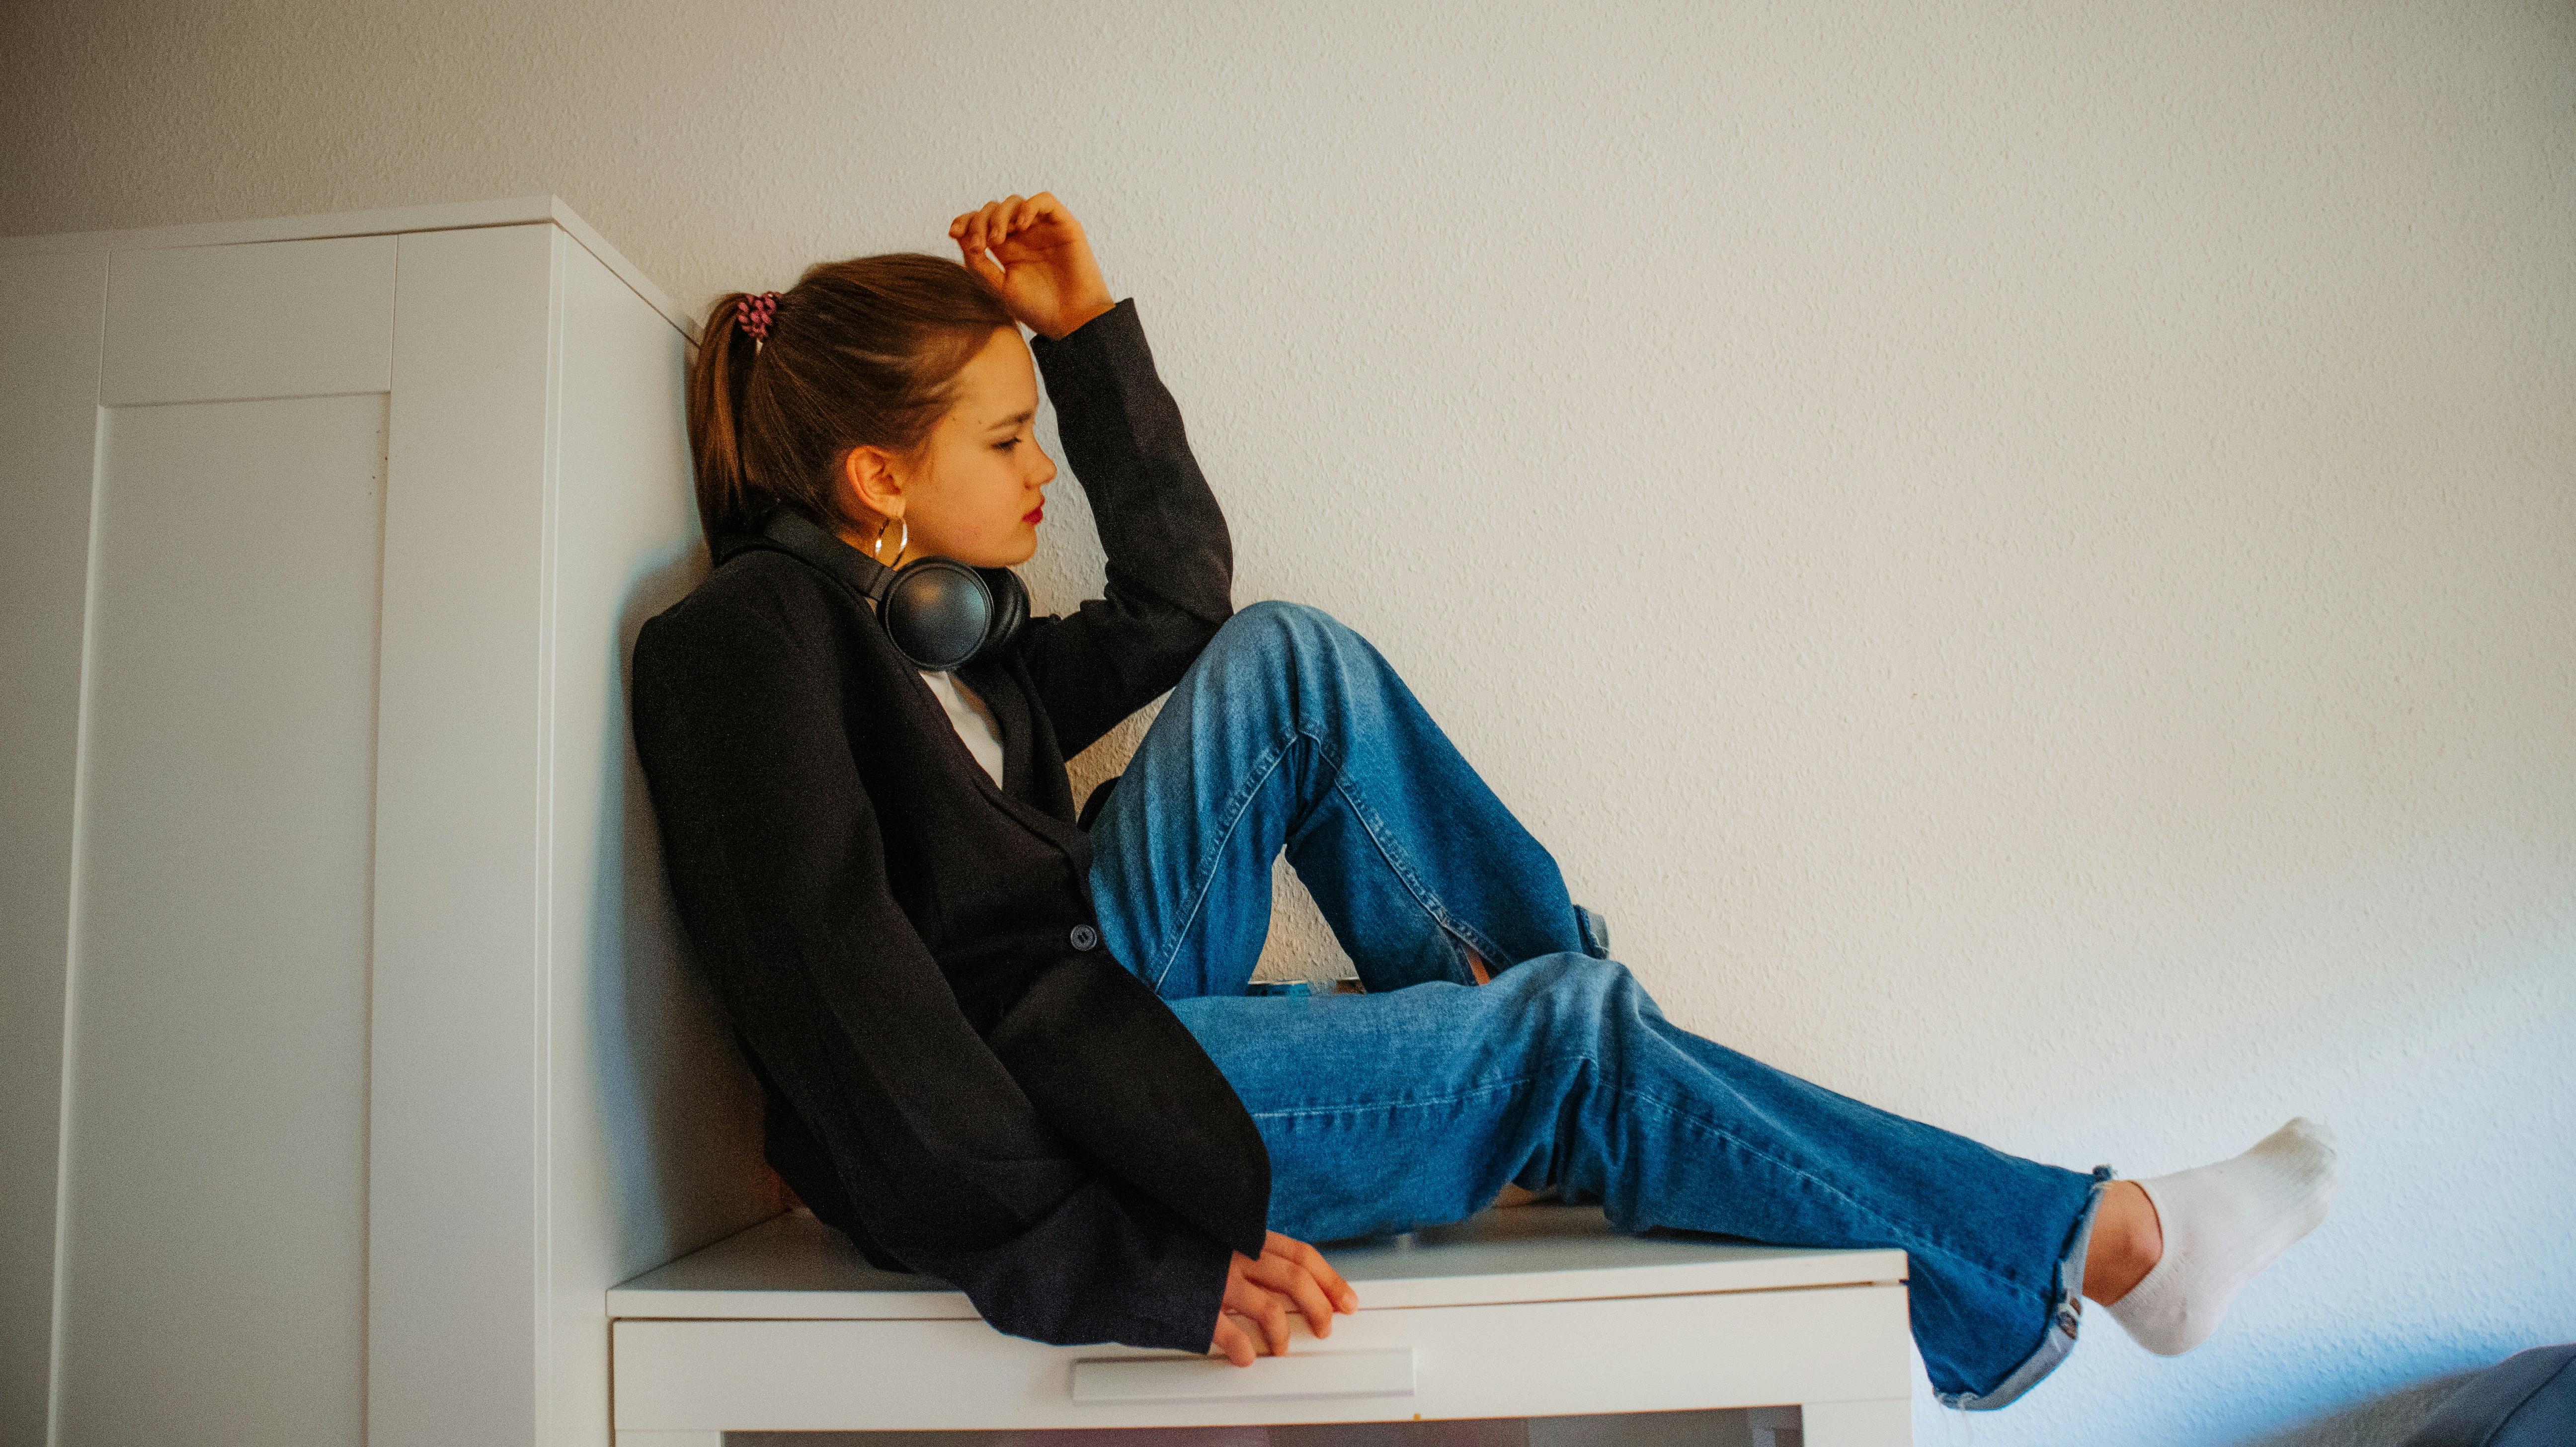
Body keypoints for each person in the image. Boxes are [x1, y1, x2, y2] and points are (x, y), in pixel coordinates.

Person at [627, 191, 2340, 1410]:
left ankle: (1589, 1079)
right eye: (1007, 438)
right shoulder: (746, 646)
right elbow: (844, 1009)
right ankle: (2099, 1251)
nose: (1042, 472)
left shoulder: (948, 644)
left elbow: (1180, 609)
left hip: (1087, 998)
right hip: (1041, 1109)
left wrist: (1084, 342)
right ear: (875, 478)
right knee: (1568, 1039)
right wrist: (1119, 1270)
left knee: (1289, 660)